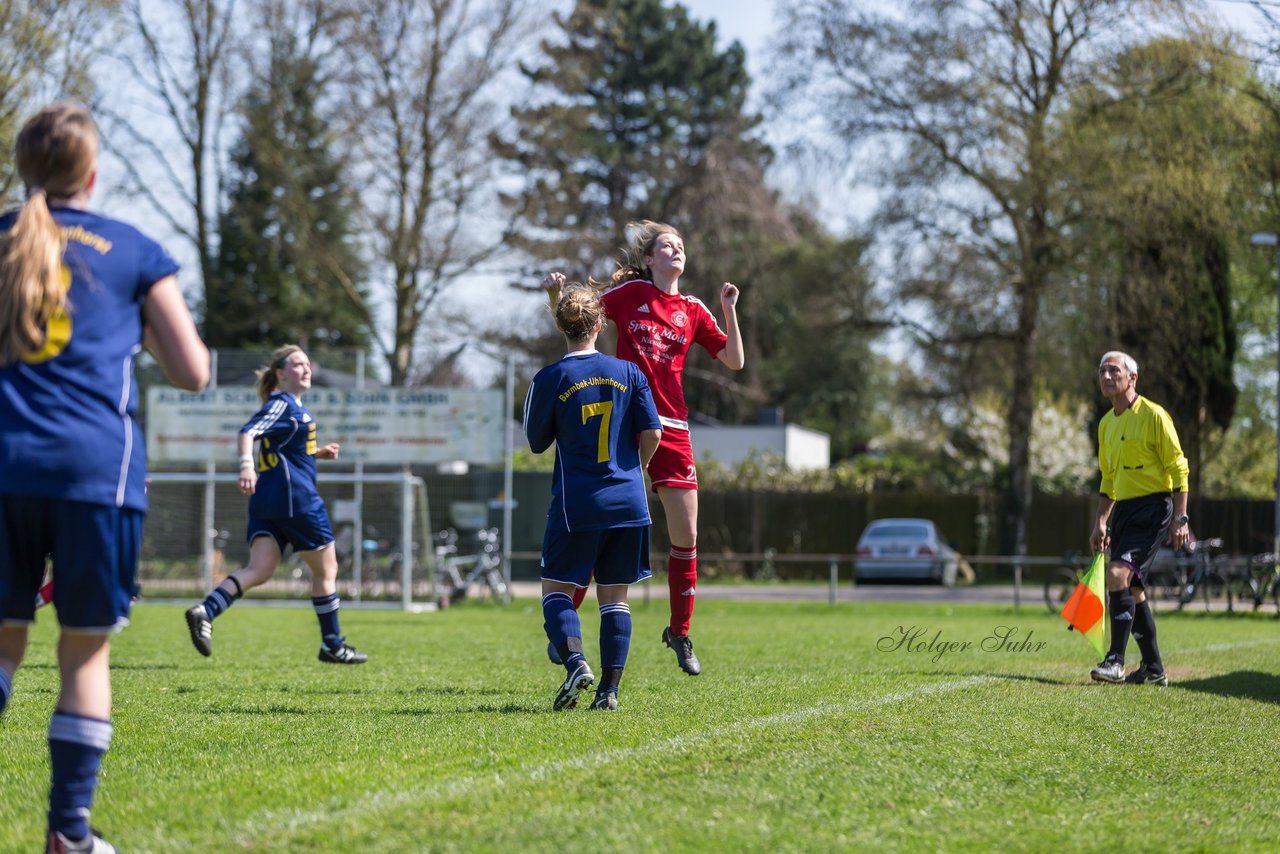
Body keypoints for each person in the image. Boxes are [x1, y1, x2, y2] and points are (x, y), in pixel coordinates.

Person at [0, 103, 210, 854]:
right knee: (83, 653)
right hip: (95, 471)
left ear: (25, 169)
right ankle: (69, 836)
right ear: (92, 173)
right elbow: (193, 371)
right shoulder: (131, 246)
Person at [544, 220, 743, 676]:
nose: (675, 250)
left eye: (680, 245)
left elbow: (734, 360)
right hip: (626, 425)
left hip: (672, 428)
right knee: (601, 531)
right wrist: (556, 297)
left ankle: (680, 631)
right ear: (649, 259)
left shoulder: (692, 309)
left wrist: (729, 309)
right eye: (665, 245)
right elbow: (579, 322)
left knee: (687, 537)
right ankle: (565, 627)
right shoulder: (630, 295)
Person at [525, 283, 662, 711]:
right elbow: (654, 433)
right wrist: (632, 471)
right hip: (629, 502)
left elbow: (534, 441)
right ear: (601, 324)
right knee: (614, 599)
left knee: (555, 593)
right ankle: (609, 692)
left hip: (577, 504)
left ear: (561, 327)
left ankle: (576, 663)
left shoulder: (550, 378)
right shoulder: (630, 372)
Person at [184, 345, 367, 665]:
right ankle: (333, 644)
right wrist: (245, 465)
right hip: (294, 498)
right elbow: (248, 432)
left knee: (260, 569)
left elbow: (286, 449)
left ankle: (206, 611)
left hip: (268, 501)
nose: (306, 369)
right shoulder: (282, 403)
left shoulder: (294, 408)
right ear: (280, 374)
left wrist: (318, 453)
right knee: (327, 570)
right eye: (297, 364)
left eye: (308, 364)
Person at [1088, 351, 1189, 687]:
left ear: (1133, 378)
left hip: (1154, 509)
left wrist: (1181, 517)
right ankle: (1154, 668)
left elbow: (1179, 468)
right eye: (1102, 371)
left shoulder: (1155, 416)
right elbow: (1108, 479)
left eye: (1113, 370)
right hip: (1124, 512)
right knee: (1133, 587)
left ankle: (1115, 661)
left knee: (1117, 574)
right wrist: (1101, 522)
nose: (1106, 376)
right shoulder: (1105, 424)